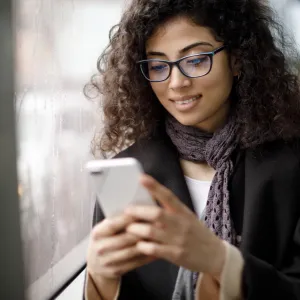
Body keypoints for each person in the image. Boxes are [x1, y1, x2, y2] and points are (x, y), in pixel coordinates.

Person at [84, 0, 300, 299]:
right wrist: (101, 278)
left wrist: (221, 262)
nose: (177, 83)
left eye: (196, 60)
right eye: (158, 65)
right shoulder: (129, 171)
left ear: (237, 60)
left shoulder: (291, 162)